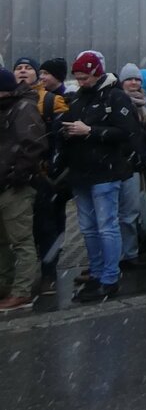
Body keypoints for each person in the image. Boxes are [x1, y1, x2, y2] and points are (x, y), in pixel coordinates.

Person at [63, 51, 138, 302]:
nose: (81, 81)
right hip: (82, 172)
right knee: (88, 228)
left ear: (96, 73)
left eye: (84, 77)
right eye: (78, 77)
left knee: (106, 226)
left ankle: (109, 277)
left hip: (106, 172)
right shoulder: (78, 99)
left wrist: (90, 131)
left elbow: (126, 132)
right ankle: (96, 273)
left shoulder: (115, 97)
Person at [0, 67, 46, 312]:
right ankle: (4, 285)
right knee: (2, 242)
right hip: (5, 184)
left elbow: (33, 145)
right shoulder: (11, 107)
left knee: (21, 241)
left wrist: (16, 176)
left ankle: (21, 292)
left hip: (14, 187)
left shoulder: (22, 109)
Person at [33, 58, 70, 295]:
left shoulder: (57, 101)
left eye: (46, 73)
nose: (41, 77)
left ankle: (50, 271)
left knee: (50, 224)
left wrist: (55, 168)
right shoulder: (30, 99)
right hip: (32, 174)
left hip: (52, 176)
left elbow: (62, 140)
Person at [117, 64, 146, 267]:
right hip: (128, 164)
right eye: (130, 79)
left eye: (137, 80)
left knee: (140, 209)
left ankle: (138, 249)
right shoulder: (118, 103)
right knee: (129, 211)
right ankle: (128, 253)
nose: (134, 83)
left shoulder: (145, 104)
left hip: (141, 164)